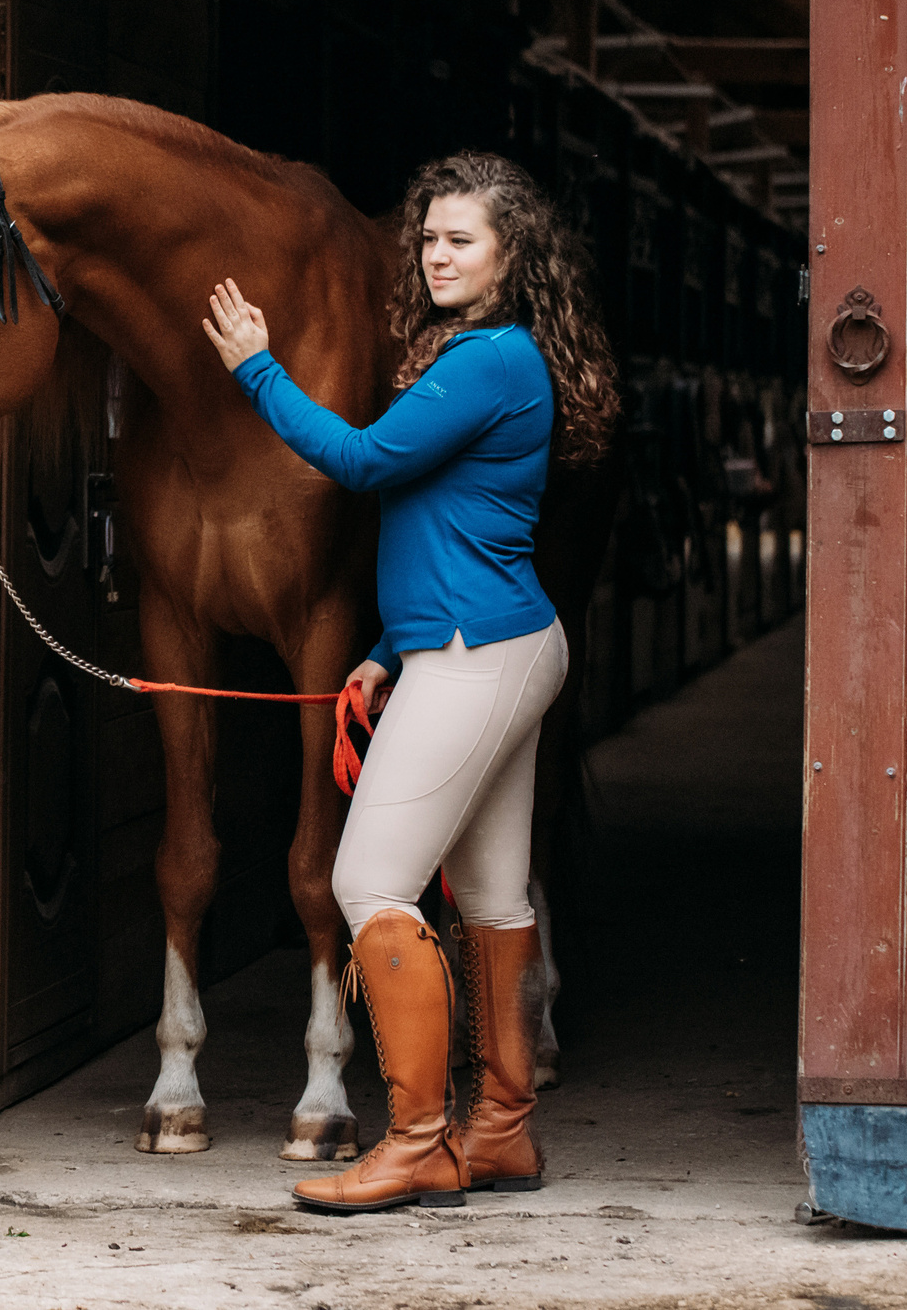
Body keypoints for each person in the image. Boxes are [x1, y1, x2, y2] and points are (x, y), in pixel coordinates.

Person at [201, 150, 621, 1214]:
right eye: (428, 236)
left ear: (510, 253)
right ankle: (503, 1130)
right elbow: (455, 525)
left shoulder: (486, 360)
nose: (436, 253)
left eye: (461, 238)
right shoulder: (483, 353)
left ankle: (419, 1140)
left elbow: (368, 463)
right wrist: (390, 644)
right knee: (486, 897)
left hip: (482, 653)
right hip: (484, 641)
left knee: (368, 882)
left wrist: (259, 366)